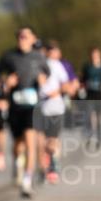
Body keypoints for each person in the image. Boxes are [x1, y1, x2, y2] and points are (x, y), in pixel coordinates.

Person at [0, 26, 49, 198]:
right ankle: (18, 163)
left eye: (26, 37)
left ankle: (27, 180)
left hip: (32, 106)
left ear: (33, 39)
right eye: (20, 37)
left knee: (31, 141)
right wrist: (5, 83)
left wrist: (42, 80)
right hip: (15, 105)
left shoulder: (39, 57)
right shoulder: (9, 56)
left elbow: (46, 74)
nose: (22, 39)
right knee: (18, 144)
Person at [40, 41, 71, 184]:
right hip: (40, 107)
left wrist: (54, 92)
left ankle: (53, 166)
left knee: (52, 139)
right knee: (42, 140)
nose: (51, 52)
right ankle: (45, 165)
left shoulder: (57, 65)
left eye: (54, 50)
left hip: (55, 107)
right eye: (49, 50)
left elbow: (66, 84)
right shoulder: (39, 64)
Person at [82, 46, 101, 144]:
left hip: (99, 94)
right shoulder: (87, 67)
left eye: (96, 54)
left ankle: (98, 134)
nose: (94, 56)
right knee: (90, 115)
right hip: (90, 94)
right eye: (92, 54)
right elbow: (83, 80)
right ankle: (91, 133)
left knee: (99, 116)